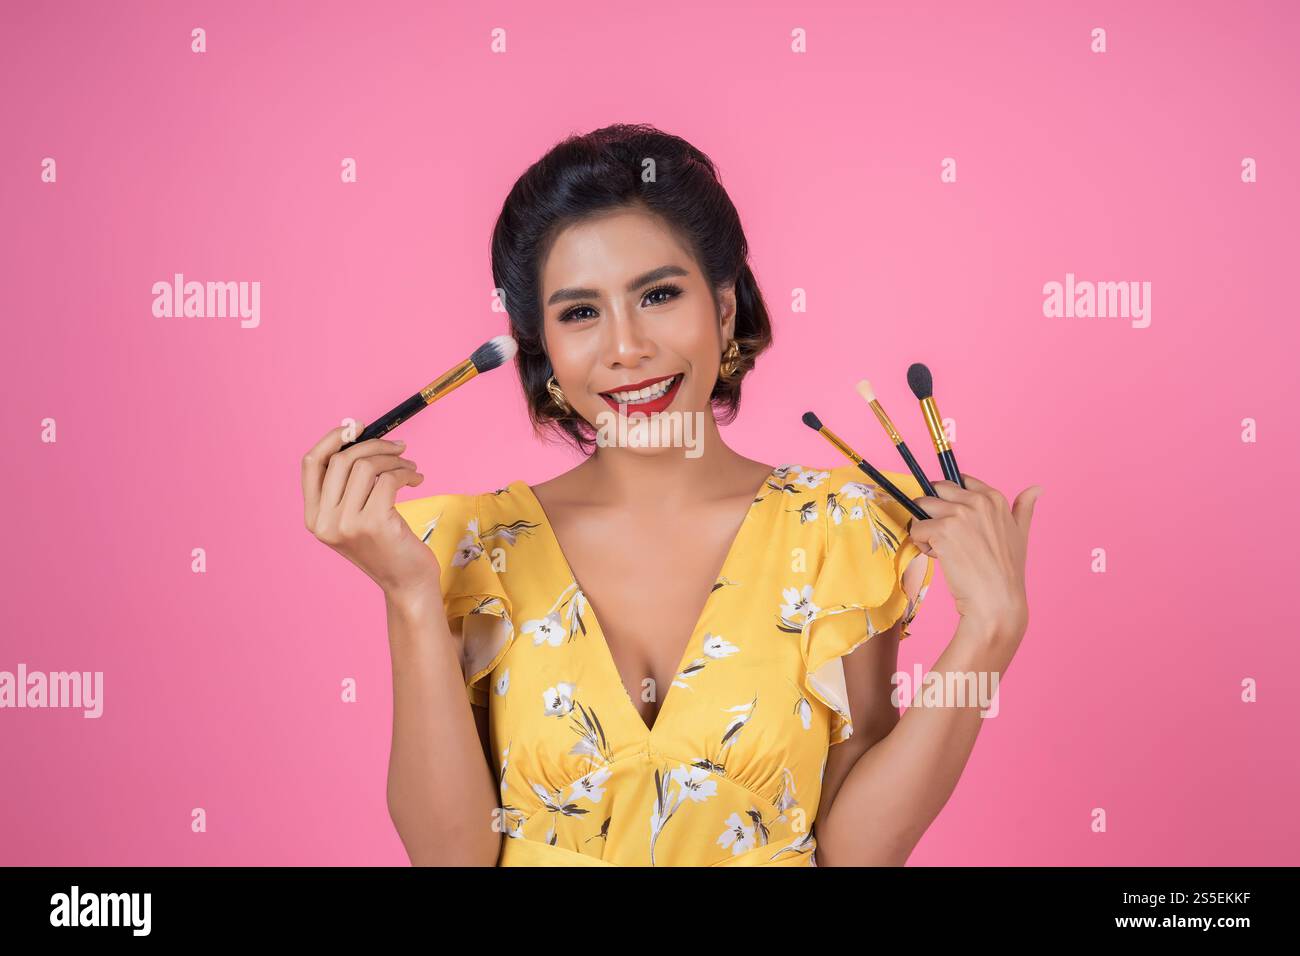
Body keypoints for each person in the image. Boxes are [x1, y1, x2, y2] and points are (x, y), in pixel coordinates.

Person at [300, 123, 1041, 867]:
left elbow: (854, 852)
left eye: (657, 295)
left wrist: (988, 635)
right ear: (543, 350)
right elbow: (449, 857)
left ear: (724, 311)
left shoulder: (837, 532)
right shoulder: (468, 550)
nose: (626, 347)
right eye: (580, 313)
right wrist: (409, 595)